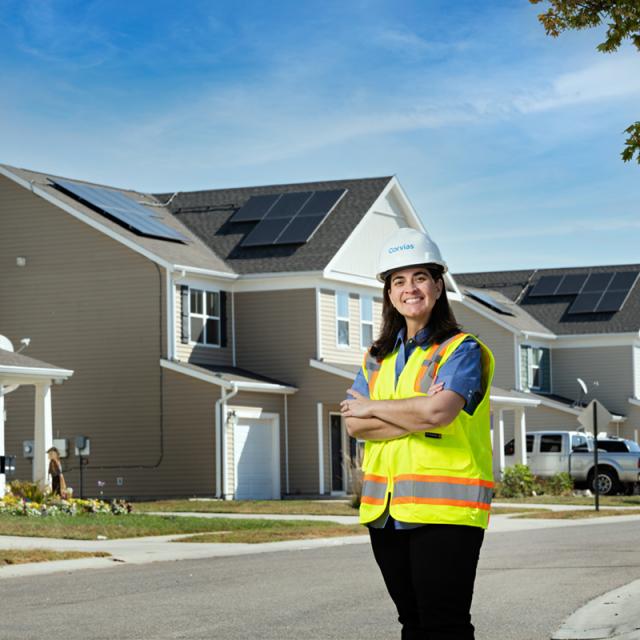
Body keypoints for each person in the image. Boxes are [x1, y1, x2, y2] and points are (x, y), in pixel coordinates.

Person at [340, 227, 495, 640]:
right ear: (389, 293)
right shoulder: (377, 358)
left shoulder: (461, 350)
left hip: (446, 513)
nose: (410, 289)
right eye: (399, 280)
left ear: (439, 285)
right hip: (386, 513)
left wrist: (374, 408)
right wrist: (412, 412)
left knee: (445, 625)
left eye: (420, 277)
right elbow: (354, 424)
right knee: (412, 624)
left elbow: (438, 414)